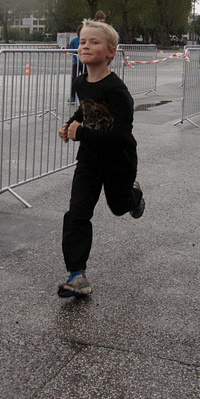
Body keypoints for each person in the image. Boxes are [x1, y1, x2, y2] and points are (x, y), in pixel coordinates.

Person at [56, 19, 144, 298]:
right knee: (77, 213)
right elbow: (86, 111)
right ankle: (77, 275)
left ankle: (135, 196)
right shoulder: (81, 81)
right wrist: (70, 123)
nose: (85, 46)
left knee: (119, 208)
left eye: (94, 42)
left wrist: (80, 132)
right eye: (82, 41)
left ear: (110, 52)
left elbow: (120, 135)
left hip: (119, 161)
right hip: (90, 161)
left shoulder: (116, 90)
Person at [68, 24, 85, 104]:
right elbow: (70, 52)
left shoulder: (86, 41)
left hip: (85, 64)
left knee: (86, 80)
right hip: (76, 63)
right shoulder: (74, 41)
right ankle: (72, 97)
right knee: (74, 79)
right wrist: (75, 56)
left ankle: (86, 97)